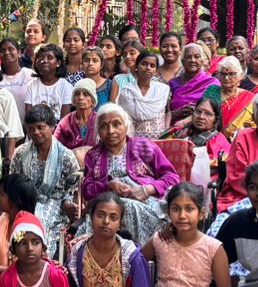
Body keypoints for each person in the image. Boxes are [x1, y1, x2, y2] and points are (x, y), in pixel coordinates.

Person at [80, 103, 179, 245]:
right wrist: (108, 185)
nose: (110, 131)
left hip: (145, 205)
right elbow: (87, 189)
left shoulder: (144, 146)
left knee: (127, 207)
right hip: (106, 208)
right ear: (98, 131)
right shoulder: (93, 155)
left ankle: (141, 256)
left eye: (116, 124)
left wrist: (147, 189)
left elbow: (172, 177)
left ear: (126, 126)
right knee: (104, 214)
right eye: (104, 126)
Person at [10, 106, 83, 260]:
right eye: (31, 129)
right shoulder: (20, 153)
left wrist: (68, 203)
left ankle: (43, 266)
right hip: (26, 203)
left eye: (41, 127)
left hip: (57, 204)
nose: (36, 132)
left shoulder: (66, 156)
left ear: (52, 128)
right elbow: (14, 183)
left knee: (41, 221)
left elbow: (73, 188)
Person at [168, 97, 230, 188]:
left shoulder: (217, 140)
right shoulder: (178, 132)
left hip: (199, 187)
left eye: (208, 114)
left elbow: (214, 170)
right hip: (170, 179)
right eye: (198, 111)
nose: (201, 117)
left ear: (215, 119)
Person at [117, 48, 172, 138]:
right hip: (134, 141)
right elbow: (124, 118)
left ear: (155, 71)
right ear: (136, 67)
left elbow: (168, 112)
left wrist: (166, 131)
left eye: (152, 65)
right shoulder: (126, 92)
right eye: (144, 64)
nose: (148, 68)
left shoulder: (163, 89)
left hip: (159, 140)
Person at [167, 43, 220, 131]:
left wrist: (185, 121)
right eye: (188, 57)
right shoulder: (173, 84)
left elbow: (213, 111)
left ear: (202, 60)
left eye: (197, 56)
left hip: (201, 132)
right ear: (182, 61)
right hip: (173, 130)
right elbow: (164, 112)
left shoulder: (212, 83)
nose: (192, 60)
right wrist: (176, 113)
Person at [23, 43, 74, 120]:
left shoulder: (66, 86)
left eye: (49, 57)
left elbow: (64, 121)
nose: (43, 61)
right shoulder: (31, 86)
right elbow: (28, 118)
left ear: (58, 63)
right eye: (40, 57)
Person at [56, 80, 99, 152]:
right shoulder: (65, 122)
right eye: (77, 94)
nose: (81, 97)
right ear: (73, 101)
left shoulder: (100, 121)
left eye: (86, 94)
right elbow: (56, 147)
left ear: (93, 101)